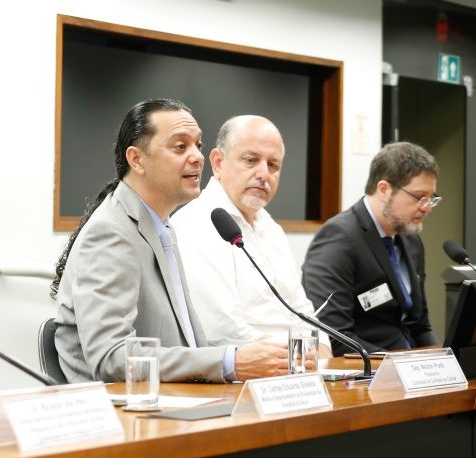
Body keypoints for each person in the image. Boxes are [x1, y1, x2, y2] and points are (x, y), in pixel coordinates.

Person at [51, 99, 290, 384]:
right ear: (137, 159)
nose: (197, 157)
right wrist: (230, 361)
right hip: (120, 406)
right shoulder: (110, 232)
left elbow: (187, 344)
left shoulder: (160, 226)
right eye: (180, 146)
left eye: (198, 145)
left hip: (169, 397)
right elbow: (111, 357)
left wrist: (257, 354)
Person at [172, 115, 332, 358]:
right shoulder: (195, 223)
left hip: (298, 365)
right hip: (248, 370)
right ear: (218, 163)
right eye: (251, 160)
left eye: (273, 165)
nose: (264, 174)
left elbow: (303, 310)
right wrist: (301, 357)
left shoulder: (271, 228)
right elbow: (223, 332)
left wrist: (322, 352)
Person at [301, 141, 440, 354]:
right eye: (420, 197)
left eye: (431, 199)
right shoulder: (339, 238)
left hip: (409, 363)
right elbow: (334, 335)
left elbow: (420, 325)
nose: (427, 208)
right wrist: (396, 365)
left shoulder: (411, 240)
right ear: (384, 190)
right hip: (367, 368)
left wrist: (443, 360)